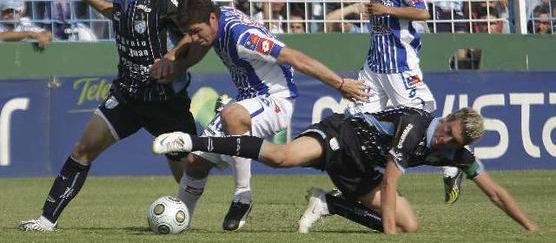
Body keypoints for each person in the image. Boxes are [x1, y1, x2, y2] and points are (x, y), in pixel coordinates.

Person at [18, 0, 203, 232]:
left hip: (166, 100)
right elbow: (116, 12)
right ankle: (46, 220)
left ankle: (185, 218)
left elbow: (192, 34)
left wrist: (171, 59)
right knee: (82, 151)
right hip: (127, 94)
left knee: (189, 171)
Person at [150, 0, 368, 231]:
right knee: (195, 161)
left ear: (212, 19)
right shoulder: (214, 21)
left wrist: (340, 83)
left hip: (276, 99)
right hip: (248, 99)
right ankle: (179, 220)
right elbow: (195, 44)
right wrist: (173, 58)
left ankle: (242, 196)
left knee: (232, 115)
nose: (192, 38)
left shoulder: (244, 37)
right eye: (188, 33)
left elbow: (294, 57)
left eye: (196, 32)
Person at [152, 106, 539, 234]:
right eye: (446, 129)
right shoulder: (417, 124)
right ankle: (192, 142)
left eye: (451, 140)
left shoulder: (458, 156)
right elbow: (391, 180)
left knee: (411, 225)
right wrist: (385, 235)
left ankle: (331, 204)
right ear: (448, 118)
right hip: (343, 136)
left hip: (360, 171)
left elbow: (495, 192)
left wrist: (532, 228)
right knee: (281, 156)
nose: (442, 139)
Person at [348, 0, 462, 203]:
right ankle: (360, 183)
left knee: (419, 118)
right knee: (357, 123)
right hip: (374, 67)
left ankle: (451, 163)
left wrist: (388, 10)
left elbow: (422, 11)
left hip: (399, 65)